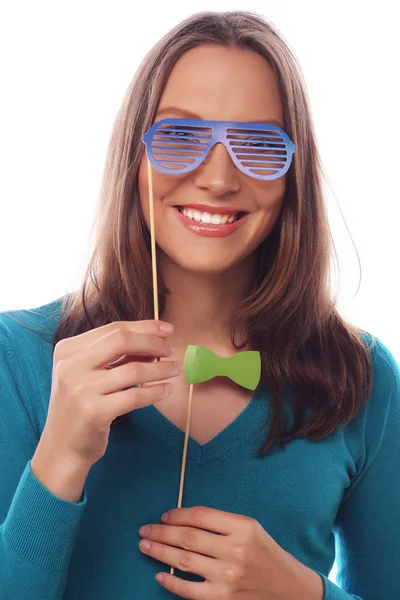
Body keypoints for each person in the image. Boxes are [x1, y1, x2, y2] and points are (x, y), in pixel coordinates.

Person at [0, 10, 399, 600]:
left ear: (294, 176)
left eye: (259, 145)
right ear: (133, 161)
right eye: (180, 137)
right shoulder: (19, 358)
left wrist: (306, 594)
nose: (217, 178)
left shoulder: (363, 378)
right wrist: (60, 457)